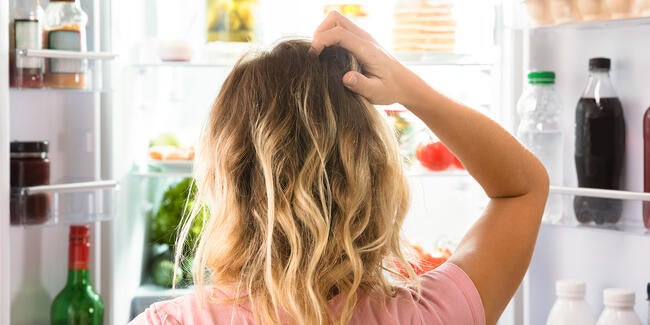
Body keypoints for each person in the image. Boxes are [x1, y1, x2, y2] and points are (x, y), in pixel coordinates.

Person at [131, 11, 548, 325]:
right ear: (374, 170)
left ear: (226, 175)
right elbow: (524, 188)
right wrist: (409, 87)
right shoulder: (430, 314)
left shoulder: (168, 322)